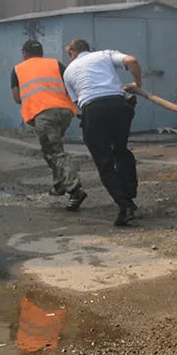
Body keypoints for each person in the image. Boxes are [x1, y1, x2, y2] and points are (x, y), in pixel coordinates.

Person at [62, 38, 143, 226]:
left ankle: (125, 206)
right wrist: (137, 83)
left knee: (104, 162)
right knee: (121, 150)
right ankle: (130, 196)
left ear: (72, 53)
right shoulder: (105, 54)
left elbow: (77, 102)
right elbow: (132, 61)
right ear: (88, 49)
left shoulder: (68, 71)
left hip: (93, 110)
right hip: (119, 105)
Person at [11, 39, 87, 210]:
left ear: (25, 54)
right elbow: (71, 83)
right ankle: (59, 184)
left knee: (55, 153)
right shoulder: (56, 64)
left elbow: (17, 99)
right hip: (65, 112)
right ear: (41, 53)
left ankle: (75, 190)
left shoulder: (18, 69)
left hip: (44, 114)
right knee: (49, 150)